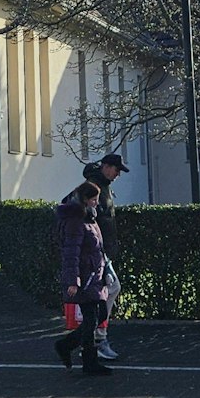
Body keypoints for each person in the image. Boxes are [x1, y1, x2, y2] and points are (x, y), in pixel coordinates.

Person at [53, 181, 112, 375]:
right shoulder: (76, 221)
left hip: (94, 275)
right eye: (94, 199)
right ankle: (89, 361)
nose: (97, 203)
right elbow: (71, 252)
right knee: (91, 319)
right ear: (85, 200)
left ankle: (67, 346)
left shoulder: (89, 218)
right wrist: (73, 281)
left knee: (98, 315)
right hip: (86, 278)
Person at [80, 152, 129, 359]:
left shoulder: (101, 186)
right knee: (111, 288)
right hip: (96, 252)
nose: (118, 174)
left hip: (100, 251)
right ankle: (96, 339)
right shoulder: (95, 188)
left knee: (104, 292)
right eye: (116, 170)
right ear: (106, 167)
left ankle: (92, 340)